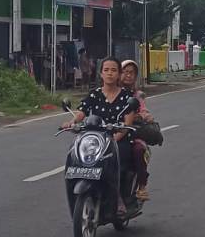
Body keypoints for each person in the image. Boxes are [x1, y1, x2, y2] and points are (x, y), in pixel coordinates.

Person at [62, 57, 135, 216]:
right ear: (101, 74)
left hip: (117, 140)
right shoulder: (94, 94)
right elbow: (82, 111)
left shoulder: (126, 96)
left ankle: (119, 198)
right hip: (94, 141)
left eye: (113, 70)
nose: (110, 73)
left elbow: (127, 122)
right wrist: (72, 121)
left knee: (117, 158)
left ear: (119, 74)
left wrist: (113, 139)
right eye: (106, 70)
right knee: (74, 154)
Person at [121, 60, 154, 202]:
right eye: (125, 72)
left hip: (131, 133)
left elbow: (143, 111)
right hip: (111, 133)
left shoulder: (137, 95)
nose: (128, 75)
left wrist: (143, 116)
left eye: (131, 73)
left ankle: (141, 186)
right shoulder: (110, 91)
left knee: (139, 149)